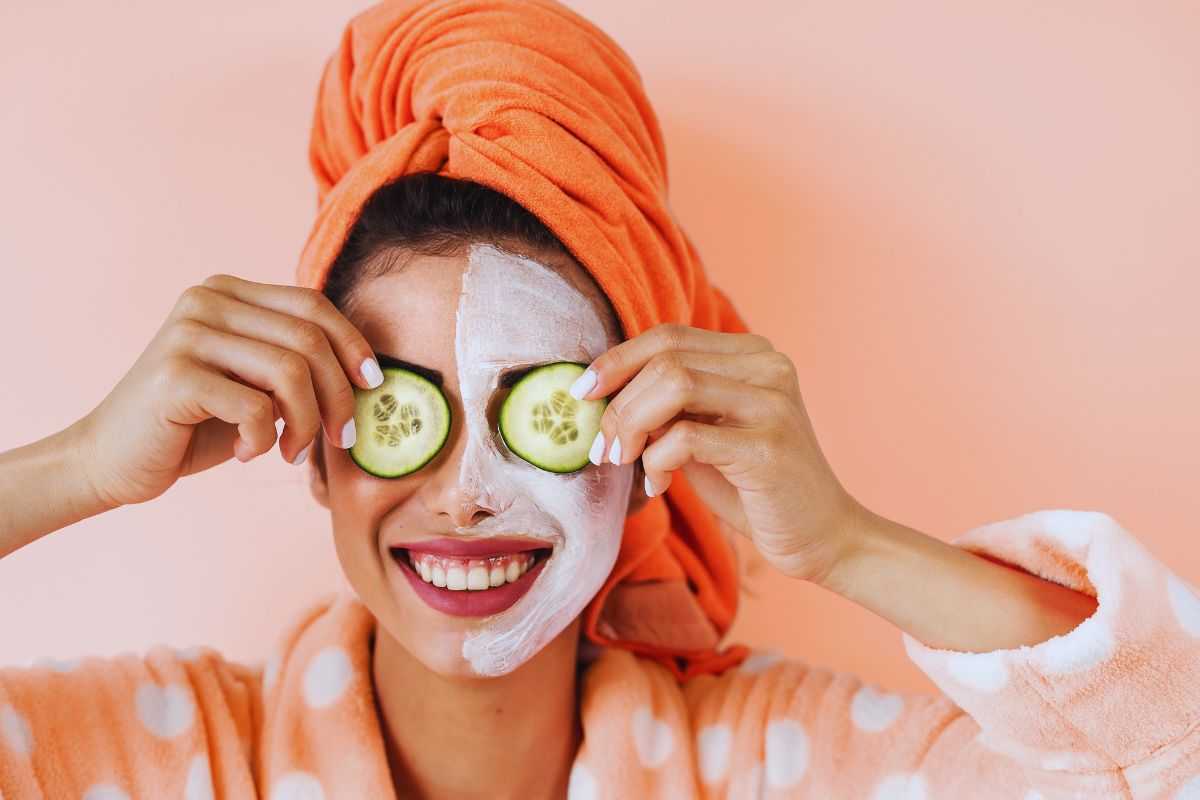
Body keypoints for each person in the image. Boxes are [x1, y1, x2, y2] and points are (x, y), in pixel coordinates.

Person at [1, 2, 1197, 799]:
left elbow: (1163, 755)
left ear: (643, 447)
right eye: (402, 410)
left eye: (539, 412)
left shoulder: (782, 763)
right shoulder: (154, 756)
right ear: (316, 449)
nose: (464, 494)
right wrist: (76, 466)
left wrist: (844, 539)